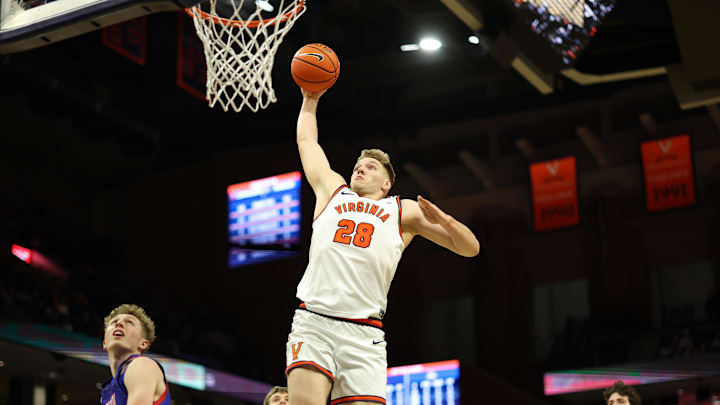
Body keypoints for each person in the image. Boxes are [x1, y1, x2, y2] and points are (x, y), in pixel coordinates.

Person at [286, 88, 480, 405]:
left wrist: (445, 221)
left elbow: (470, 248)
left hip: (364, 334)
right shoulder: (332, 191)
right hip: (315, 321)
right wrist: (311, 97)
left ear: (387, 184)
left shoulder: (402, 211)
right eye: (358, 165)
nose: (361, 168)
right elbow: (307, 142)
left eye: (371, 167)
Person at [100, 304, 171, 405]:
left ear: (143, 343)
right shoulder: (109, 390)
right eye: (114, 322)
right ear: (105, 342)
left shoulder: (142, 364)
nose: (119, 323)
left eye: (129, 322)